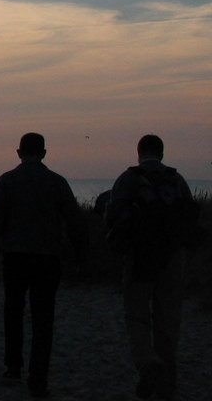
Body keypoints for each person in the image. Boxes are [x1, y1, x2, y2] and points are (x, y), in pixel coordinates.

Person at [0, 133, 87, 399]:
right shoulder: (57, 182)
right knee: (43, 317)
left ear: (19, 152)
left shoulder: (7, 181)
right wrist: (81, 254)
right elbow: (74, 221)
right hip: (47, 258)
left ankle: (13, 367)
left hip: (15, 256)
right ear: (44, 153)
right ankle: (38, 377)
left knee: (13, 311)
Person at [105, 134, 200, 400]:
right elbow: (189, 219)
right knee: (168, 318)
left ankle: (147, 362)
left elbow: (113, 217)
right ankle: (167, 380)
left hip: (139, 257)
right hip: (172, 257)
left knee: (136, 315)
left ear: (139, 153)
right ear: (161, 152)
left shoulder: (128, 179)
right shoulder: (176, 180)